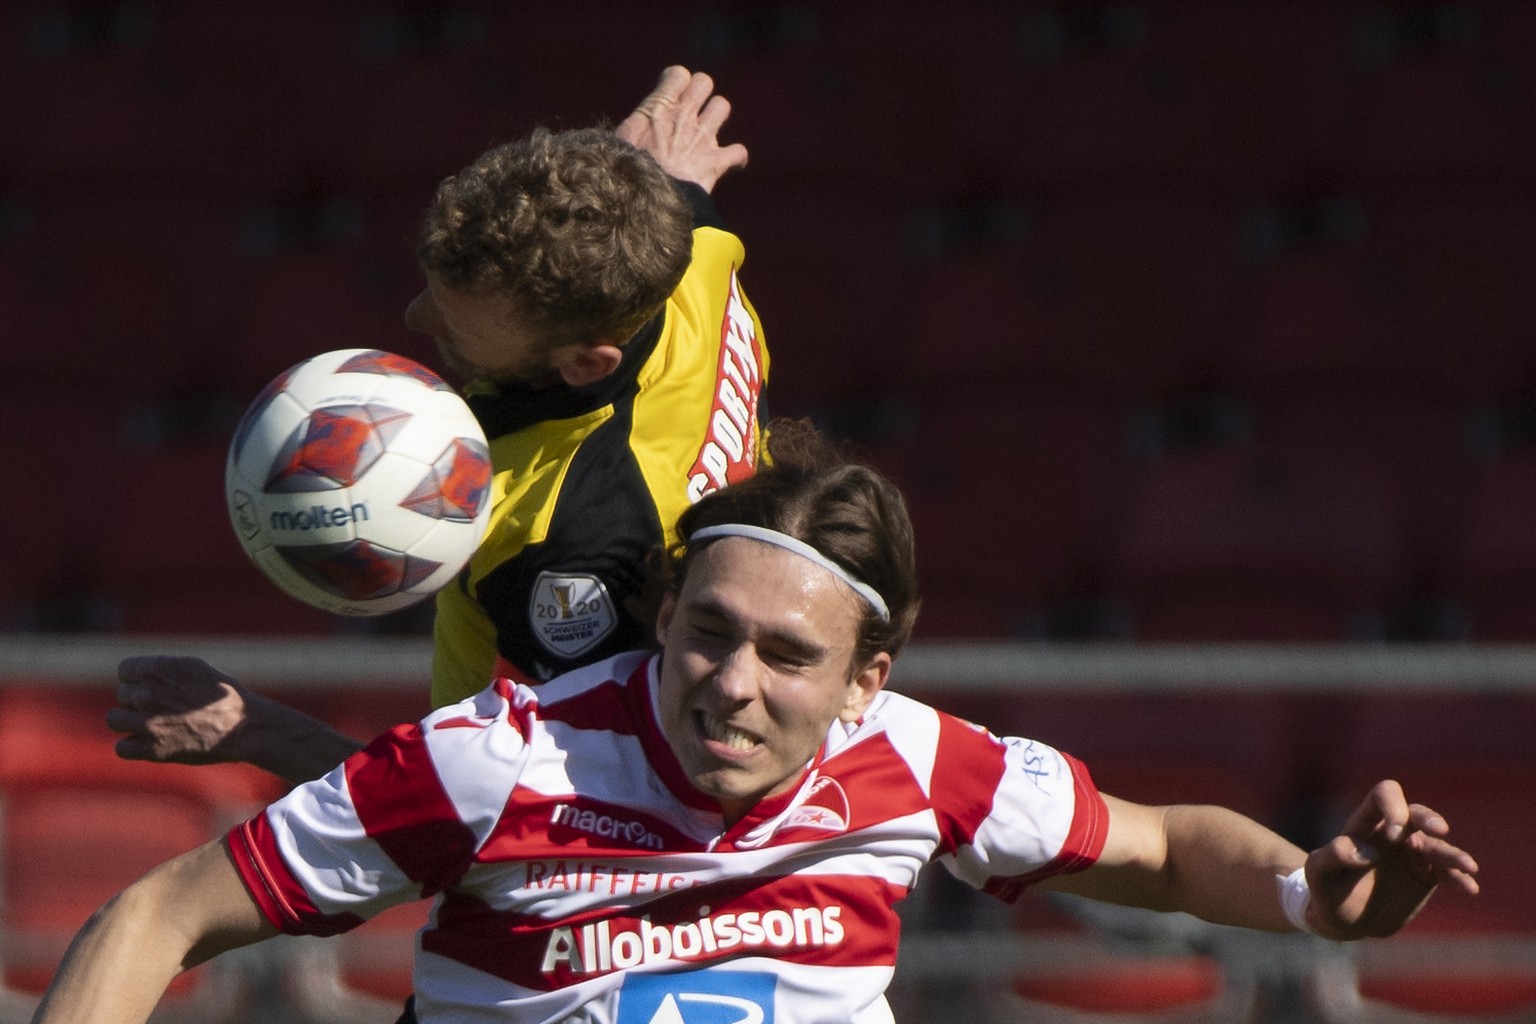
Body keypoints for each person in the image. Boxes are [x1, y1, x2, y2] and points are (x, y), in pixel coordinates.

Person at [44, 422, 1479, 1024]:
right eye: (708, 631)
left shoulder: (915, 760)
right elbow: (160, 911)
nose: (730, 680)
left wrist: (1313, 895)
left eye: (788, 656)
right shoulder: (499, 757)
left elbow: (1162, 849)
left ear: (870, 676)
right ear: (663, 614)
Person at [106, 66, 770, 783]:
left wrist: (258, 731)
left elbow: (506, 823)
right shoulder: (688, 252)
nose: (415, 319)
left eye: (458, 327)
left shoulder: (578, 547)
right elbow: (663, 197)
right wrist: (636, 171)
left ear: (583, 362)